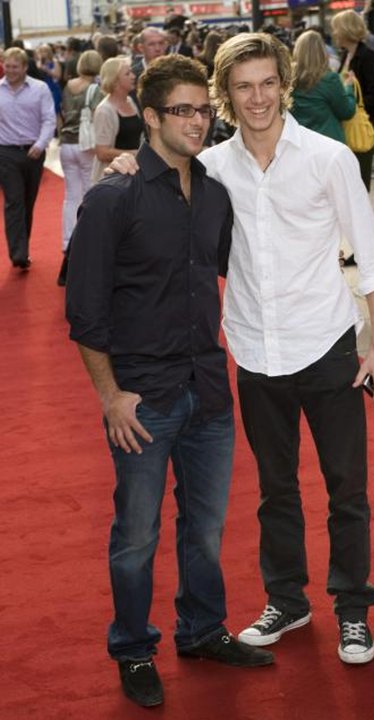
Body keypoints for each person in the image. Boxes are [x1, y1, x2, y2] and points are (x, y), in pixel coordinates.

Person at [110, 32, 374, 666]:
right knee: (275, 490)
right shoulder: (212, 165)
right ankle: (287, 601)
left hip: (326, 343)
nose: (258, 97)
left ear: (284, 85)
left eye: (268, 83)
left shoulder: (327, 158)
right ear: (226, 95)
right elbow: (159, 167)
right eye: (243, 87)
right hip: (254, 351)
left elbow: (372, 257)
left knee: (347, 490)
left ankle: (353, 609)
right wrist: (129, 160)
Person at [65, 54, 274, 709]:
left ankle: (202, 630)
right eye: (183, 110)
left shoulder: (213, 193)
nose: (198, 121)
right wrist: (110, 396)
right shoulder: (113, 198)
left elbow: (226, 269)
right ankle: (133, 648)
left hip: (208, 388)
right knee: (136, 535)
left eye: (203, 110)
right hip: (143, 399)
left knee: (205, 528)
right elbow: (84, 312)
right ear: (150, 117)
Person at [331, 9, 374, 266]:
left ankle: (368, 252)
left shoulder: (367, 56)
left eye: (336, 28)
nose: (334, 33)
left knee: (360, 194)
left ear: (346, 29)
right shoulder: (346, 55)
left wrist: (355, 106)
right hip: (345, 132)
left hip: (359, 131)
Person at [0, 47, 56, 270]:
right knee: (14, 201)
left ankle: (23, 247)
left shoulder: (40, 89)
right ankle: (19, 253)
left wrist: (40, 144)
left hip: (34, 152)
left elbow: (49, 119)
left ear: (25, 67)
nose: (10, 70)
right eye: (7, 66)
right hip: (6, 153)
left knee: (27, 201)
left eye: (15, 67)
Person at [58, 49, 103, 286]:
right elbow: (98, 116)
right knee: (89, 193)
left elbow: (63, 112)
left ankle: (68, 241)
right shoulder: (94, 89)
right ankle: (85, 241)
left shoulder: (68, 86)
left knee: (71, 195)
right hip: (86, 145)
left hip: (66, 144)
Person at [291, 30, 356, 143]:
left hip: (299, 141)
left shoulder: (288, 79)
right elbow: (346, 112)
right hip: (328, 142)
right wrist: (349, 88)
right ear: (322, 52)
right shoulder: (330, 79)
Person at [92, 56, 143, 183]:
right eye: (127, 74)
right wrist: (135, 153)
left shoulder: (130, 101)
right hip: (113, 178)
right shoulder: (104, 110)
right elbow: (102, 153)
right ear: (114, 80)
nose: (133, 76)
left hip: (133, 173)